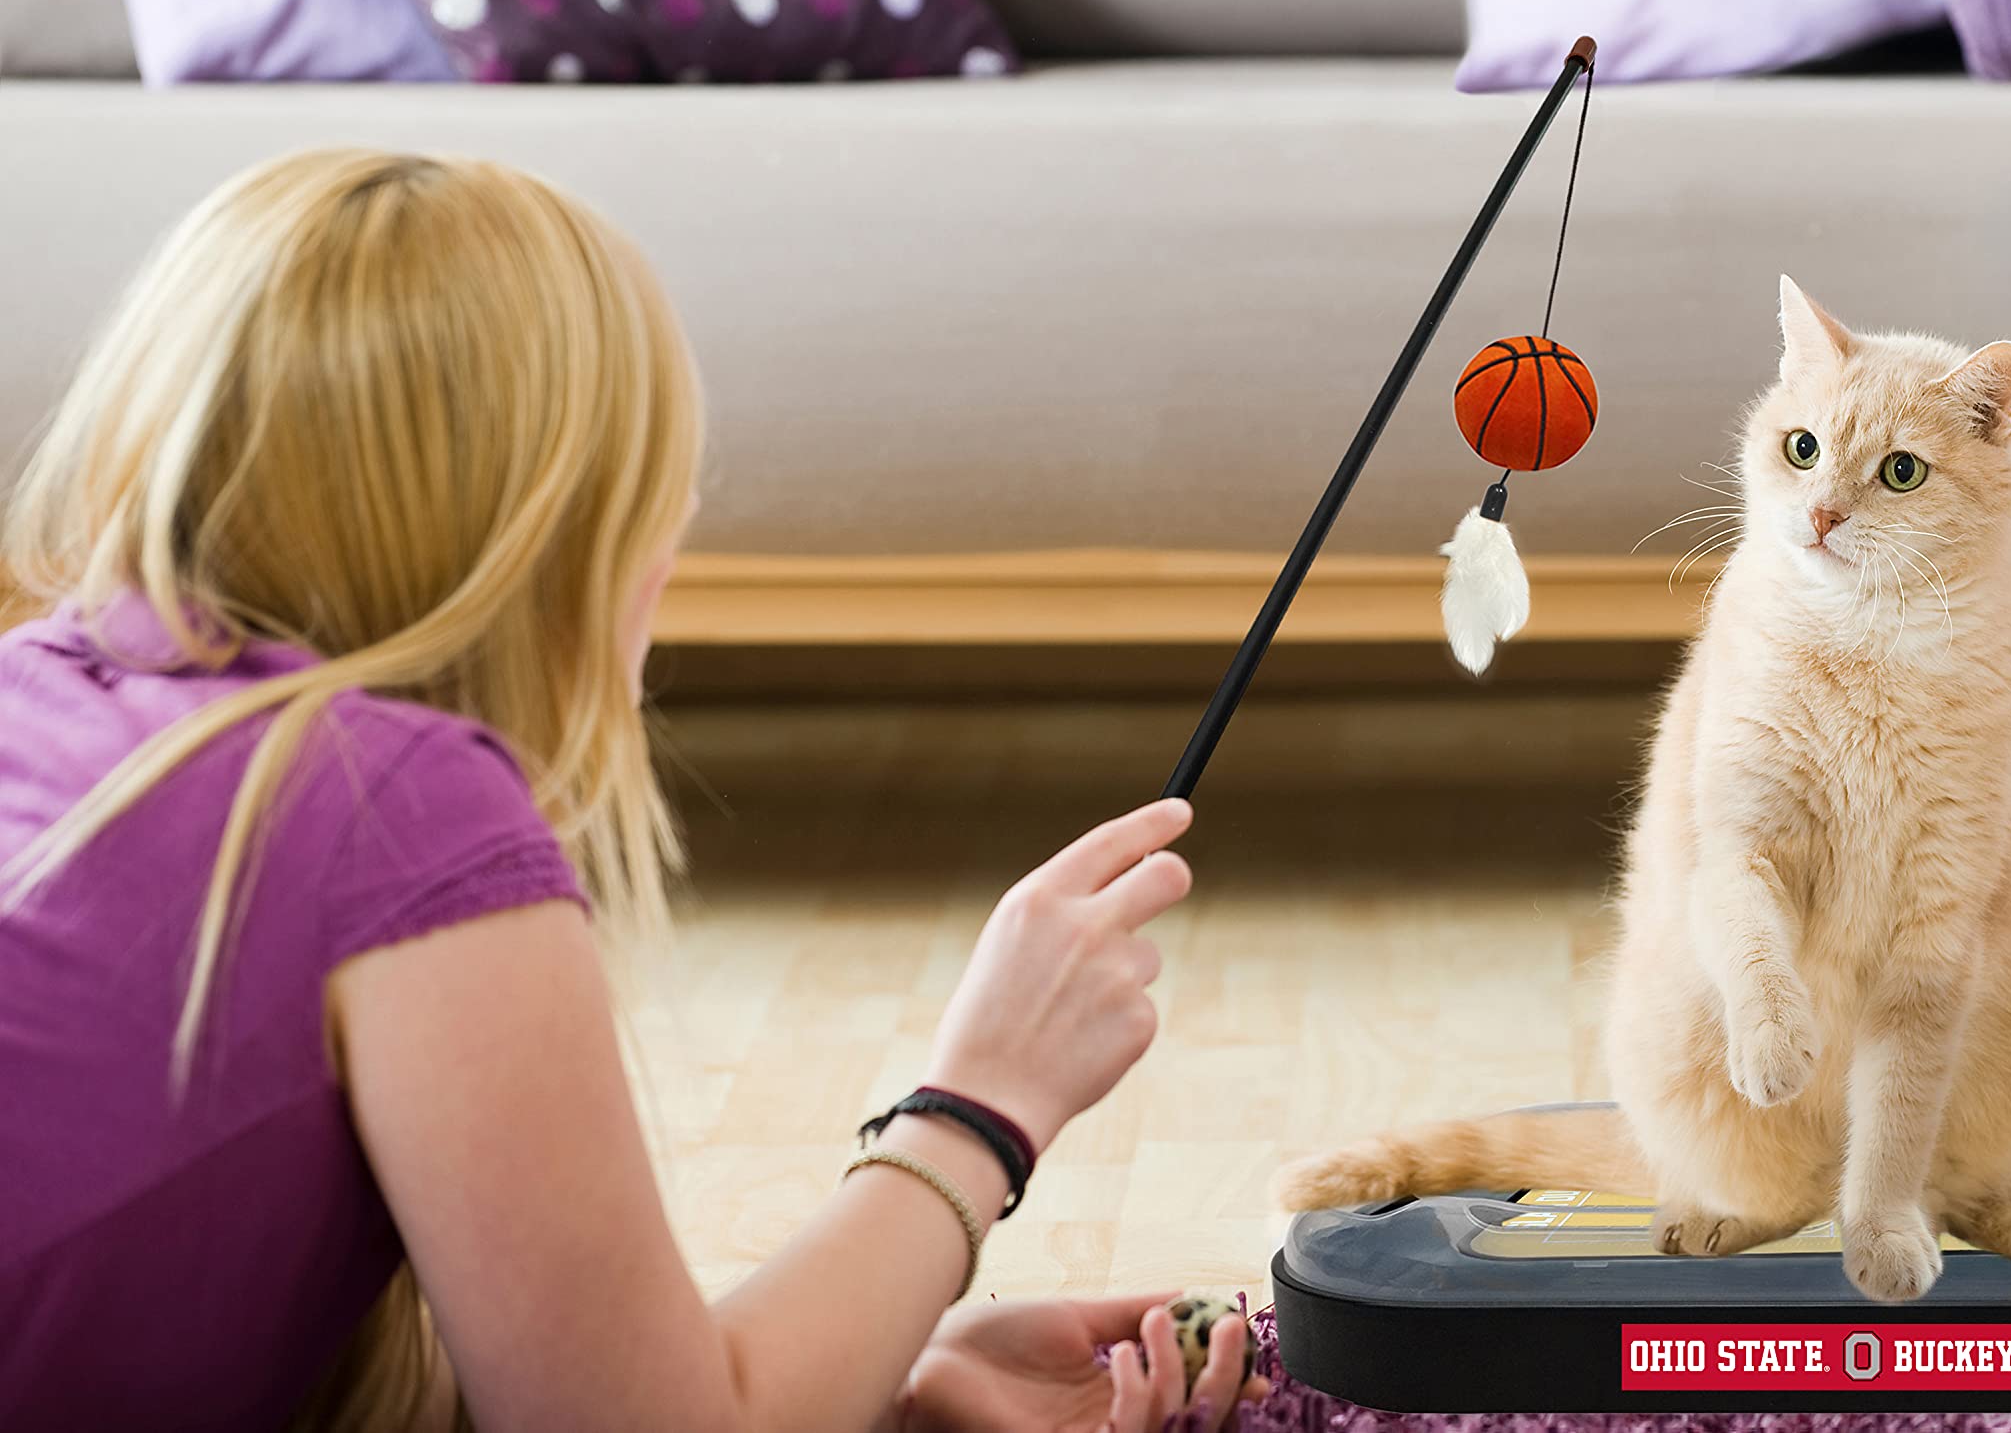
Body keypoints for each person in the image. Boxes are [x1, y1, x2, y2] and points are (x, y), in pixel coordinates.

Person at [0, 149, 1263, 1432]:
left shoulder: (33, 693)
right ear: (560, 541)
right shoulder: (395, 810)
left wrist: (871, 1379)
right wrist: (979, 1105)